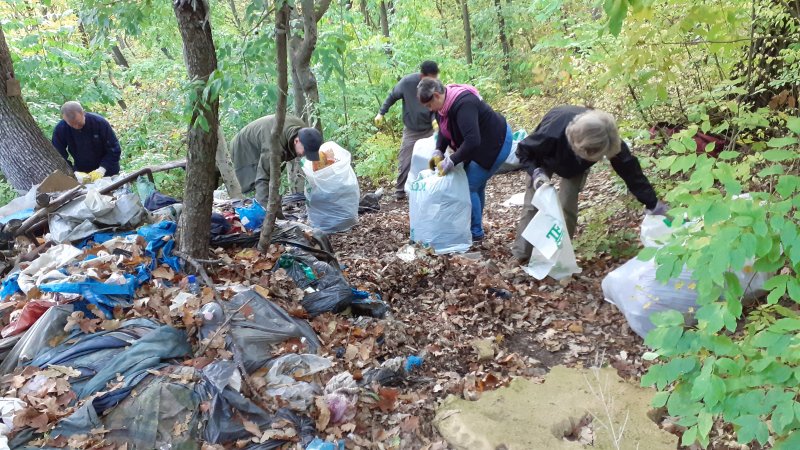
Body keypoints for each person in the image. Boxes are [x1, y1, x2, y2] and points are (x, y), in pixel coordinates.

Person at [511, 105, 668, 263]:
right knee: (533, 203)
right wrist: (536, 172)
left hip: (573, 168)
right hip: (542, 157)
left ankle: (559, 258)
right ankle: (521, 254)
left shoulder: (607, 138)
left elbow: (631, 172)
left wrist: (652, 203)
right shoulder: (551, 133)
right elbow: (524, 150)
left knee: (567, 206)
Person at [417, 77, 512, 242]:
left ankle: (475, 234)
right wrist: (438, 150)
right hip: (480, 143)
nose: (429, 109)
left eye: (429, 105)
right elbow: (444, 131)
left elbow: (472, 140)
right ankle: (475, 228)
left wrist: (451, 160)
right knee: (476, 185)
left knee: (469, 185)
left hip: (497, 141)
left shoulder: (464, 104)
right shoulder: (442, 108)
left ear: (437, 95)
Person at [375, 61, 439, 200]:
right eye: (430, 78)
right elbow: (392, 96)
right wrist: (381, 112)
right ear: (422, 75)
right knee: (406, 159)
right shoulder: (408, 82)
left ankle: (433, 186)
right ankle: (400, 190)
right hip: (412, 129)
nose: (433, 81)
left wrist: (436, 120)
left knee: (434, 156)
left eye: (435, 78)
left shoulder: (436, 85)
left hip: (430, 127)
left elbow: (439, 104)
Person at [230, 114, 322, 208]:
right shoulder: (273, 146)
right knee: (257, 178)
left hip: (266, 133)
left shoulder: (304, 132)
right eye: (306, 151)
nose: (305, 154)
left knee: (273, 175)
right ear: (296, 141)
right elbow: (263, 178)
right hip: (244, 145)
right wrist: (265, 210)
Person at [52, 101, 121, 183]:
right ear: (64, 119)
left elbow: (114, 149)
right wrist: (73, 172)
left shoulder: (99, 123)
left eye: (78, 123)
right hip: (83, 174)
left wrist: (102, 169)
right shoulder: (61, 129)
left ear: (83, 113)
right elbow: (58, 154)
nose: (76, 127)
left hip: (108, 171)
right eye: (72, 124)